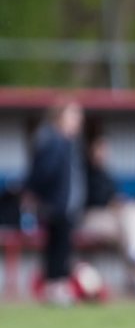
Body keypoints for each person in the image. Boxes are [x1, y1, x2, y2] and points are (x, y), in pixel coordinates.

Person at [23, 99, 85, 306]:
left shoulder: (69, 143)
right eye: (73, 115)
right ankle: (54, 287)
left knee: (62, 245)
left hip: (68, 205)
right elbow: (41, 174)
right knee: (57, 246)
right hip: (56, 205)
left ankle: (58, 286)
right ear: (60, 117)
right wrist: (39, 196)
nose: (78, 120)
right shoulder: (53, 141)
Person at [80, 134, 135, 296]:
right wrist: (111, 203)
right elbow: (87, 200)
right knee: (130, 225)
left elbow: (115, 196)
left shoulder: (106, 173)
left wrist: (117, 203)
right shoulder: (83, 172)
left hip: (112, 219)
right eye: (99, 149)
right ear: (91, 151)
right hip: (91, 218)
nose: (103, 153)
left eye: (105, 150)